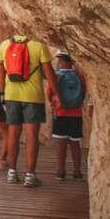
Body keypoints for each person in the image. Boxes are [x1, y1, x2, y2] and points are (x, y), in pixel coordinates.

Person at [0, 32, 57, 188]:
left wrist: (3, 92)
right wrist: (57, 94)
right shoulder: (39, 46)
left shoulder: (5, 45)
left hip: (11, 95)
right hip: (33, 97)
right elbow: (50, 75)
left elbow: (0, 71)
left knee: (13, 134)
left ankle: (12, 172)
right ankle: (30, 175)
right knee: (31, 135)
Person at [49, 51, 86, 181]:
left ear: (61, 60)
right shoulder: (79, 76)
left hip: (61, 112)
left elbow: (50, 92)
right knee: (75, 143)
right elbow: (83, 93)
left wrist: (54, 104)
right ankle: (77, 172)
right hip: (76, 113)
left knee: (61, 143)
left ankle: (60, 172)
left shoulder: (57, 76)